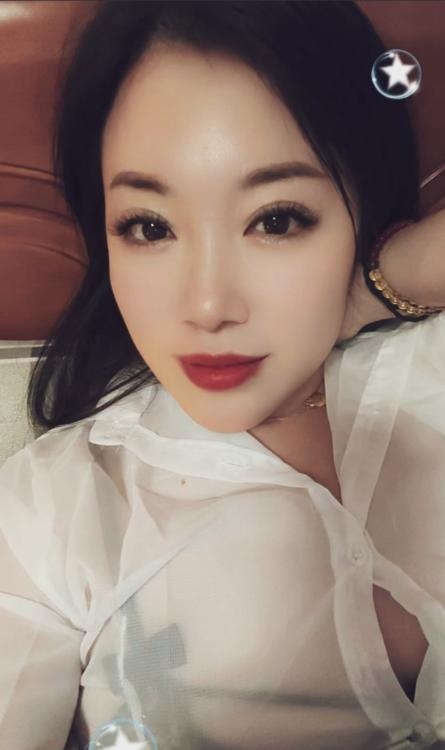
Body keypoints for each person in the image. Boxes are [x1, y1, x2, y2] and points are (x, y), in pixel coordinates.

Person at [0, 1, 444, 748]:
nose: (207, 306)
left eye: (276, 219)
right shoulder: (55, 507)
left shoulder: (425, 367)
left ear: (359, 206)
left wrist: (380, 283)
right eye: (149, 227)